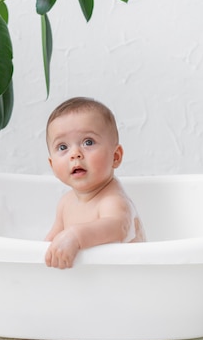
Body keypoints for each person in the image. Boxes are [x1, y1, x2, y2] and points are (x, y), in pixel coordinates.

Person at [44, 97, 146, 269]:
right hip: (93, 283)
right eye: (63, 147)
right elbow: (50, 242)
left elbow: (118, 227)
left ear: (116, 156)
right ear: (52, 165)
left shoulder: (113, 200)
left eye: (88, 142)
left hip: (128, 280)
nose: (75, 154)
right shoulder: (65, 203)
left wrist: (75, 236)